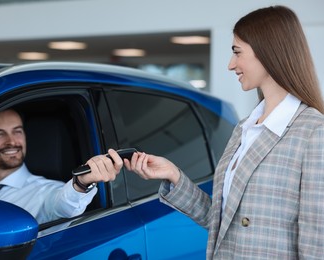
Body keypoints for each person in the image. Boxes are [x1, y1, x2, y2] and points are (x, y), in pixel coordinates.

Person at [124, 5, 324, 259]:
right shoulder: (245, 128)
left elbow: (317, 244)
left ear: (268, 52)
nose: (231, 65)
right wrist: (174, 176)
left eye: (237, 53)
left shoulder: (314, 132)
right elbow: (222, 222)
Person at [0, 109, 123, 223]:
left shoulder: (45, 192)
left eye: (17, 131)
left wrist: (81, 183)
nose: (12, 141)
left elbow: (64, 205)